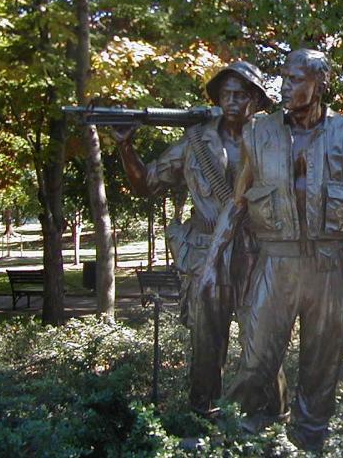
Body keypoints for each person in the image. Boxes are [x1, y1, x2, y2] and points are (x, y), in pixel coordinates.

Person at [201, 49, 343, 451]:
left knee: (321, 371)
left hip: (330, 266)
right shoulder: (257, 133)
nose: (285, 86)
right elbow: (238, 203)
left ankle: (308, 442)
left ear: (321, 83)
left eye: (296, 79)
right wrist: (212, 264)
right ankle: (238, 437)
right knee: (256, 361)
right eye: (283, 77)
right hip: (276, 263)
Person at [113, 61, 277, 415]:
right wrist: (126, 146)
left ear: (256, 100)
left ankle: (273, 420)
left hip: (257, 254)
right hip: (206, 256)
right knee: (205, 348)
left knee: (263, 343)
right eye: (226, 93)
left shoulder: (272, 139)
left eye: (241, 94)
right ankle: (203, 419)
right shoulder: (195, 142)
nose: (232, 100)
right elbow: (146, 184)